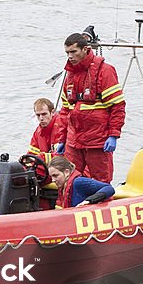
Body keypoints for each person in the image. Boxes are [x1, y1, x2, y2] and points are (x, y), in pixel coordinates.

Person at [53, 32, 126, 183]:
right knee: (69, 180)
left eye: (73, 52)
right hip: (74, 141)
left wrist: (113, 135)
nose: (70, 56)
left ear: (85, 49)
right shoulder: (70, 75)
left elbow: (117, 107)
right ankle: (70, 207)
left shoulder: (105, 71)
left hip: (97, 141)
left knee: (101, 181)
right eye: (67, 53)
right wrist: (62, 139)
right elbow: (65, 111)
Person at [27, 98, 64, 210]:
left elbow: (63, 157)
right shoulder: (38, 132)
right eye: (38, 115)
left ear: (52, 112)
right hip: (48, 170)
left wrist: (41, 157)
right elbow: (31, 154)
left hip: (61, 169)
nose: (41, 118)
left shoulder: (61, 128)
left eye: (44, 114)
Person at [47, 156, 114, 209]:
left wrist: (89, 201)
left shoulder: (78, 182)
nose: (53, 180)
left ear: (66, 172)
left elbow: (109, 188)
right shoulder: (62, 187)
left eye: (55, 176)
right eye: (51, 177)